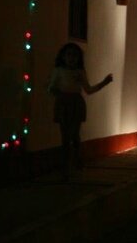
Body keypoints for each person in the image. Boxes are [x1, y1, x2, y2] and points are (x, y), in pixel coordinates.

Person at [48, 42, 114, 179]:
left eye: (75, 56)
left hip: (76, 103)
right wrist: (56, 92)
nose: (71, 58)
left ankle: (77, 160)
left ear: (79, 58)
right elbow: (51, 87)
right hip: (63, 103)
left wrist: (104, 82)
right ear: (63, 57)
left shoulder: (80, 72)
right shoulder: (58, 70)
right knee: (65, 136)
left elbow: (88, 90)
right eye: (69, 55)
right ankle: (66, 165)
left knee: (74, 134)